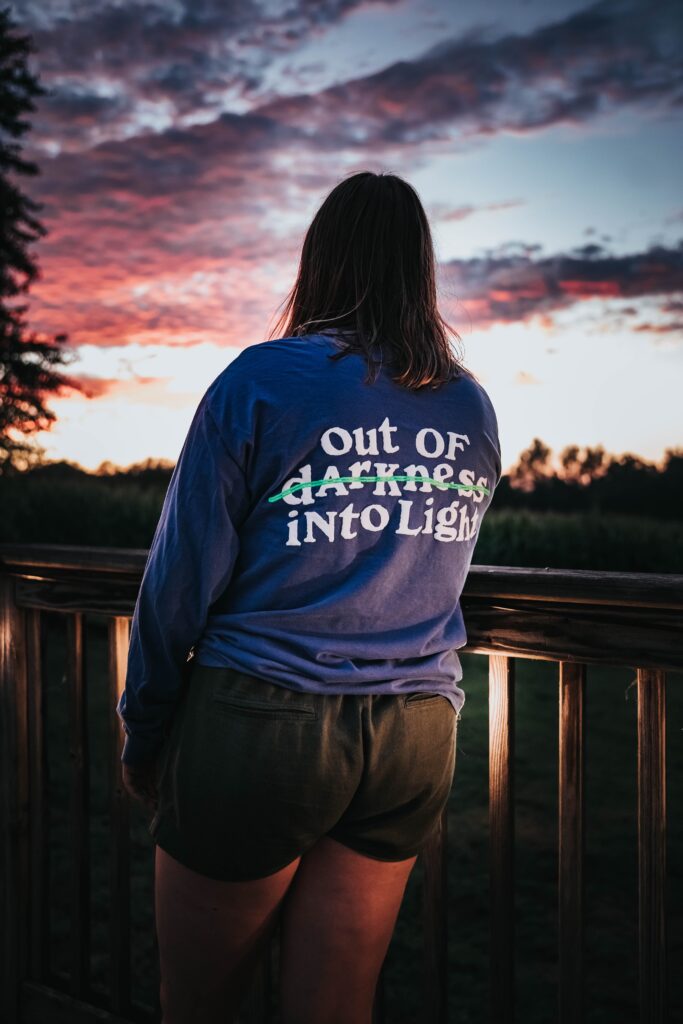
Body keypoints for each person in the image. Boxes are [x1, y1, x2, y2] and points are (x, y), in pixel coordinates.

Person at [116, 170, 501, 1024]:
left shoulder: (262, 381)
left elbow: (177, 580)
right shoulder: (469, 405)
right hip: (414, 729)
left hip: (265, 720)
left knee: (201, 1002)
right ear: (420, 270)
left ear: (318, 261)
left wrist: (146, 728)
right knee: (333, 1007)